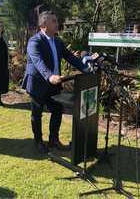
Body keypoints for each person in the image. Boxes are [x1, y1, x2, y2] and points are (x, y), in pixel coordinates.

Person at [22, 11, 90, 154]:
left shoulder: (57, 41)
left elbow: (70, 57)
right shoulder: (35, 41)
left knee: (57, 110)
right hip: (38, 84)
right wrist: (49, 76)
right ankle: (38, 141)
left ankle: (53, 140)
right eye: (54, 21)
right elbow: (38, 61)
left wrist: (86, 69)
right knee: (37, 114)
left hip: (54, 85)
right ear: (44, 24)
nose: (57, 24)